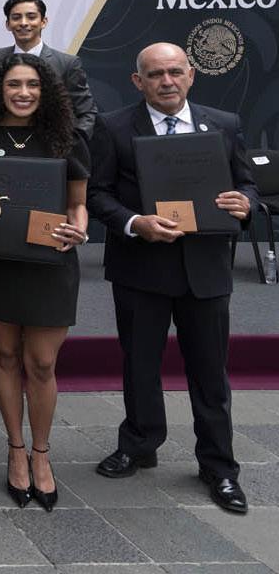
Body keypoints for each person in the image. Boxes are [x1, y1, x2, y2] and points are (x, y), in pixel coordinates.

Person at [88, 42, 258, 514]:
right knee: (139, 365)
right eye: (155, 74)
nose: (167, 81)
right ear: (137, 81)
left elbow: (245, 182)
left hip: (205, 271)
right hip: (141, 269)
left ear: (191, 75)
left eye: (175, 72)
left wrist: (244, 203)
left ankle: (219, 468)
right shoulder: (113, 127)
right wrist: (133, 222)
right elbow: (97, 194)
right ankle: (139, 443)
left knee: (210, 374)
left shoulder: (223, 124)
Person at [0, 54, 90, 510]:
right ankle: (15, 450)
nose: (23, 93)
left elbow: (78, 204)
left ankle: (42, 453)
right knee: (4, 355)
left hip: (50, 263)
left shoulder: (66, 138)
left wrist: (79, 230)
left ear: (46, 90)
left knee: (41, 363)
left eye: (32, 85)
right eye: (14, 84)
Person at [0, 0, 98, 142]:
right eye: (16, 17)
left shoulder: (67, 63)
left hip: (50, 145)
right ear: (8, 24)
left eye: (31, 17)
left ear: (43, 22)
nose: (24, 23)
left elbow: (86, 112)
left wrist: (72, 143)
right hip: (3, 143)